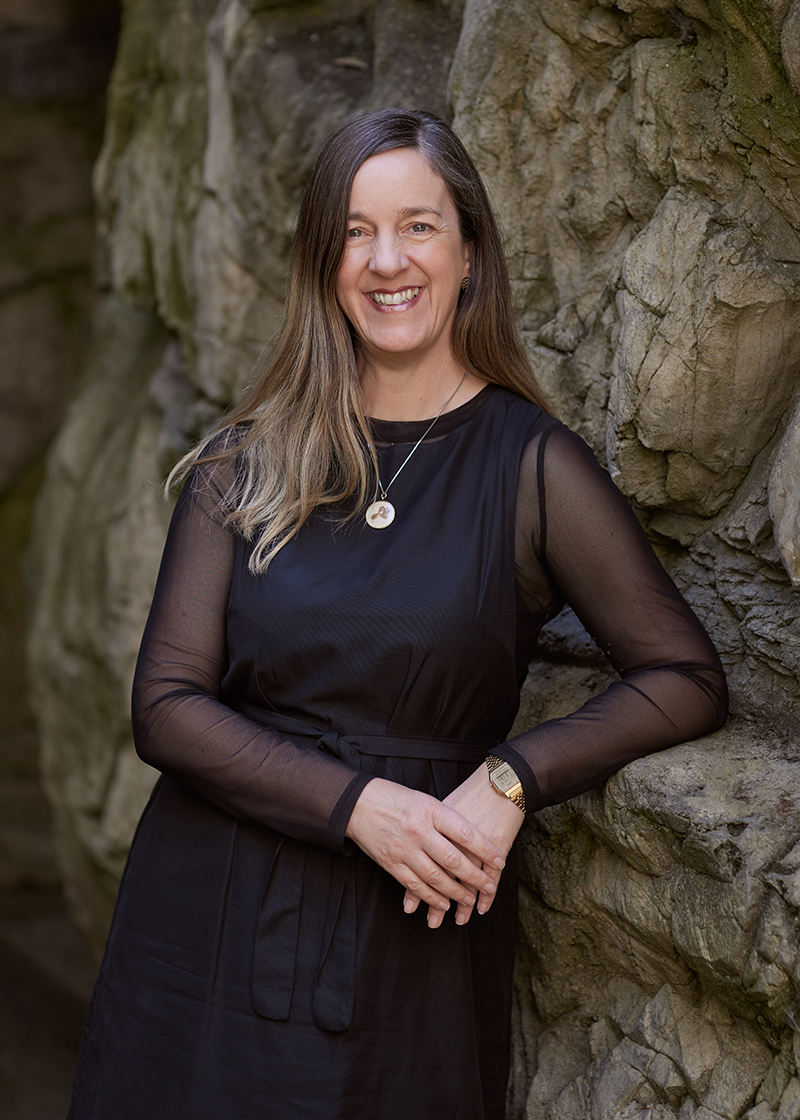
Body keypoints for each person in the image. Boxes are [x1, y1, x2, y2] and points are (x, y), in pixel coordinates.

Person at [67, 108, 728, 1120]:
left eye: (417, 226)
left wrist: (511, 778)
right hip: (205, 917)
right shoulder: (245, 459)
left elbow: (682, 676)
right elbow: (164, 704)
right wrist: (355, 805)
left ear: (467, 251)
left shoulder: (528, 465)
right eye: (354, 231)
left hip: (407, 938)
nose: (385, 260)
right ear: (321, 262)